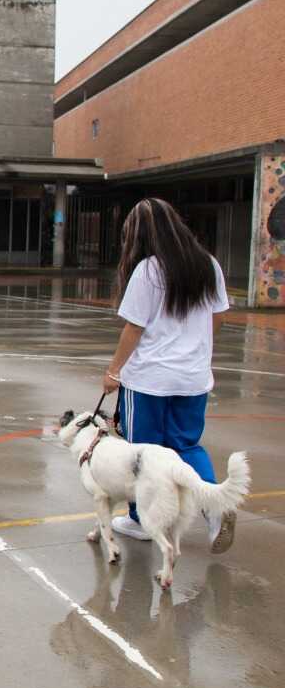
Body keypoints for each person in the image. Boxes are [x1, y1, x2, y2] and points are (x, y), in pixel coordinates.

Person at [102, 197, 235, 553]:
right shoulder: (208, 264)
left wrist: (113, 371)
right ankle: (215, 507)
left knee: (143, 453)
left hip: (149, 380)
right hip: (193, 378)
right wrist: (193, 347)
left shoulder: (148, 270)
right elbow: (218, 317)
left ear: (140, 235)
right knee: (186, 446)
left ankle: (141, 519)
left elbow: (134, 327)